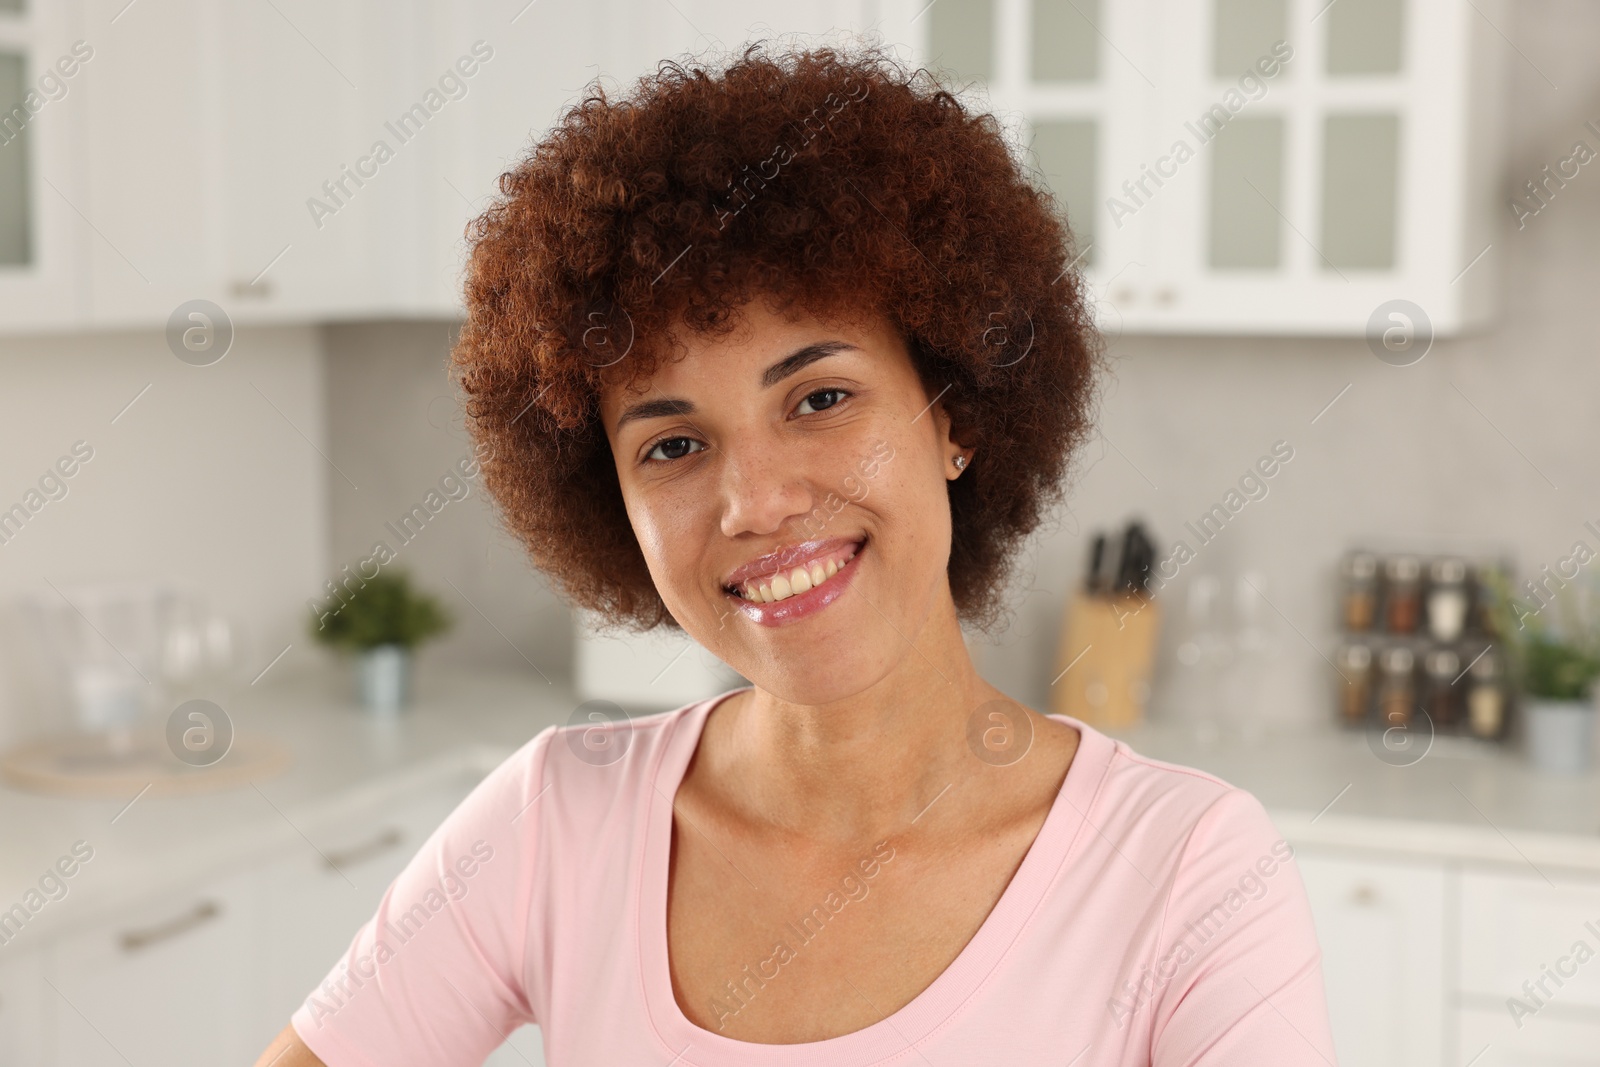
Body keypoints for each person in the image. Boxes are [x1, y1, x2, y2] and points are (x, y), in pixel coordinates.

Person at [255, 43, 1337, 1067]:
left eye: (820, 398)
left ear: (954, 413)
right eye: (672, 445)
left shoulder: (1186, 870)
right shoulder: (554, 823)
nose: (756, 501)